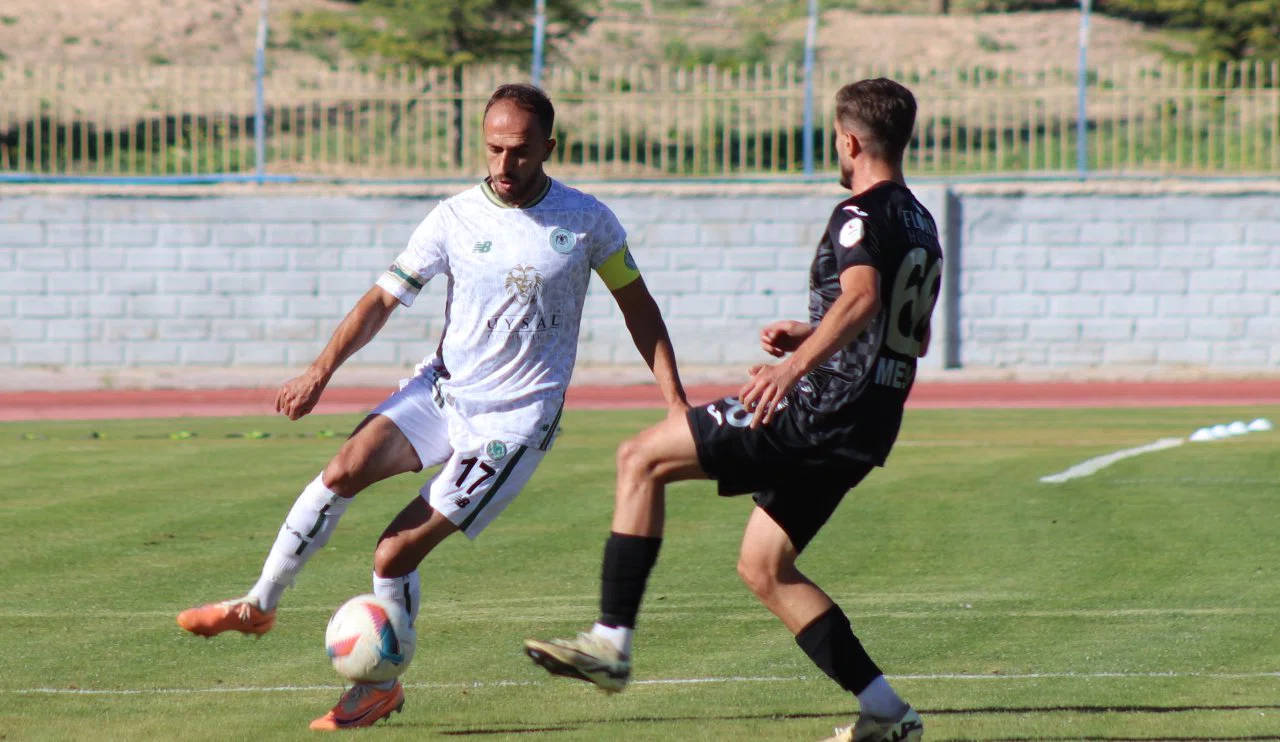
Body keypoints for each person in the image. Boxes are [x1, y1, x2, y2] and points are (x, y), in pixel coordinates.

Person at [175, 83, 688, 731]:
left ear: (548, 148)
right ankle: (258, 605)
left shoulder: (588, 220)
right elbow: (382, 299)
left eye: (519, 151)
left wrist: (676, 404)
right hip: (442, 391)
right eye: (494, 149)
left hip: (512, 423)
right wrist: (320, 371)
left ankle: (379, 687)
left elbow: (639, 309)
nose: (504, 164)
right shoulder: (453, 217)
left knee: (392, 555)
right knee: (342, 469)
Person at [523, 78, 941, 742]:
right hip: (867, 423)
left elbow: (862, 299)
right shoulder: (921, 222)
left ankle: (611, 643)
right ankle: (888, 712)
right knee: (765, 568)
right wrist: (813, 335)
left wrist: (792, 369)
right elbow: (911, 335)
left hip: (820, 410)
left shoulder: (858, 214)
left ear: (849, 140)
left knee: (640, 458)